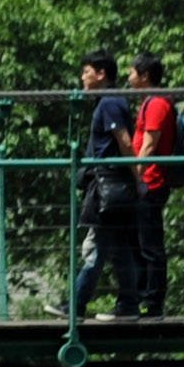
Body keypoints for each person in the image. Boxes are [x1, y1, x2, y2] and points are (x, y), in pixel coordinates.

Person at [71, 50, 141, 319]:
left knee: (97, 247)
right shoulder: (107, 101)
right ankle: (129, 305)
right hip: (111, 184)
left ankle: (76, 305)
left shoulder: (110, 102)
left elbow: (125, 142)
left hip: (108, 186)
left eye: (86, 71)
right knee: (119, 247)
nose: (83, 77)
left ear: (101, 75)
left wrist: (138, 178)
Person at [120, 52, 184, 315]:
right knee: (143, 243)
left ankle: (154, 302)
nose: (129, 76)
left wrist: (138, 178)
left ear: (144, 76)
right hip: (147, 182)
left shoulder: (157, 103)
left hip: (150, 183)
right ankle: (147, 298)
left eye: (132, 71)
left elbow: (149, 145)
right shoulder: (151, 101)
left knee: (150, 245)